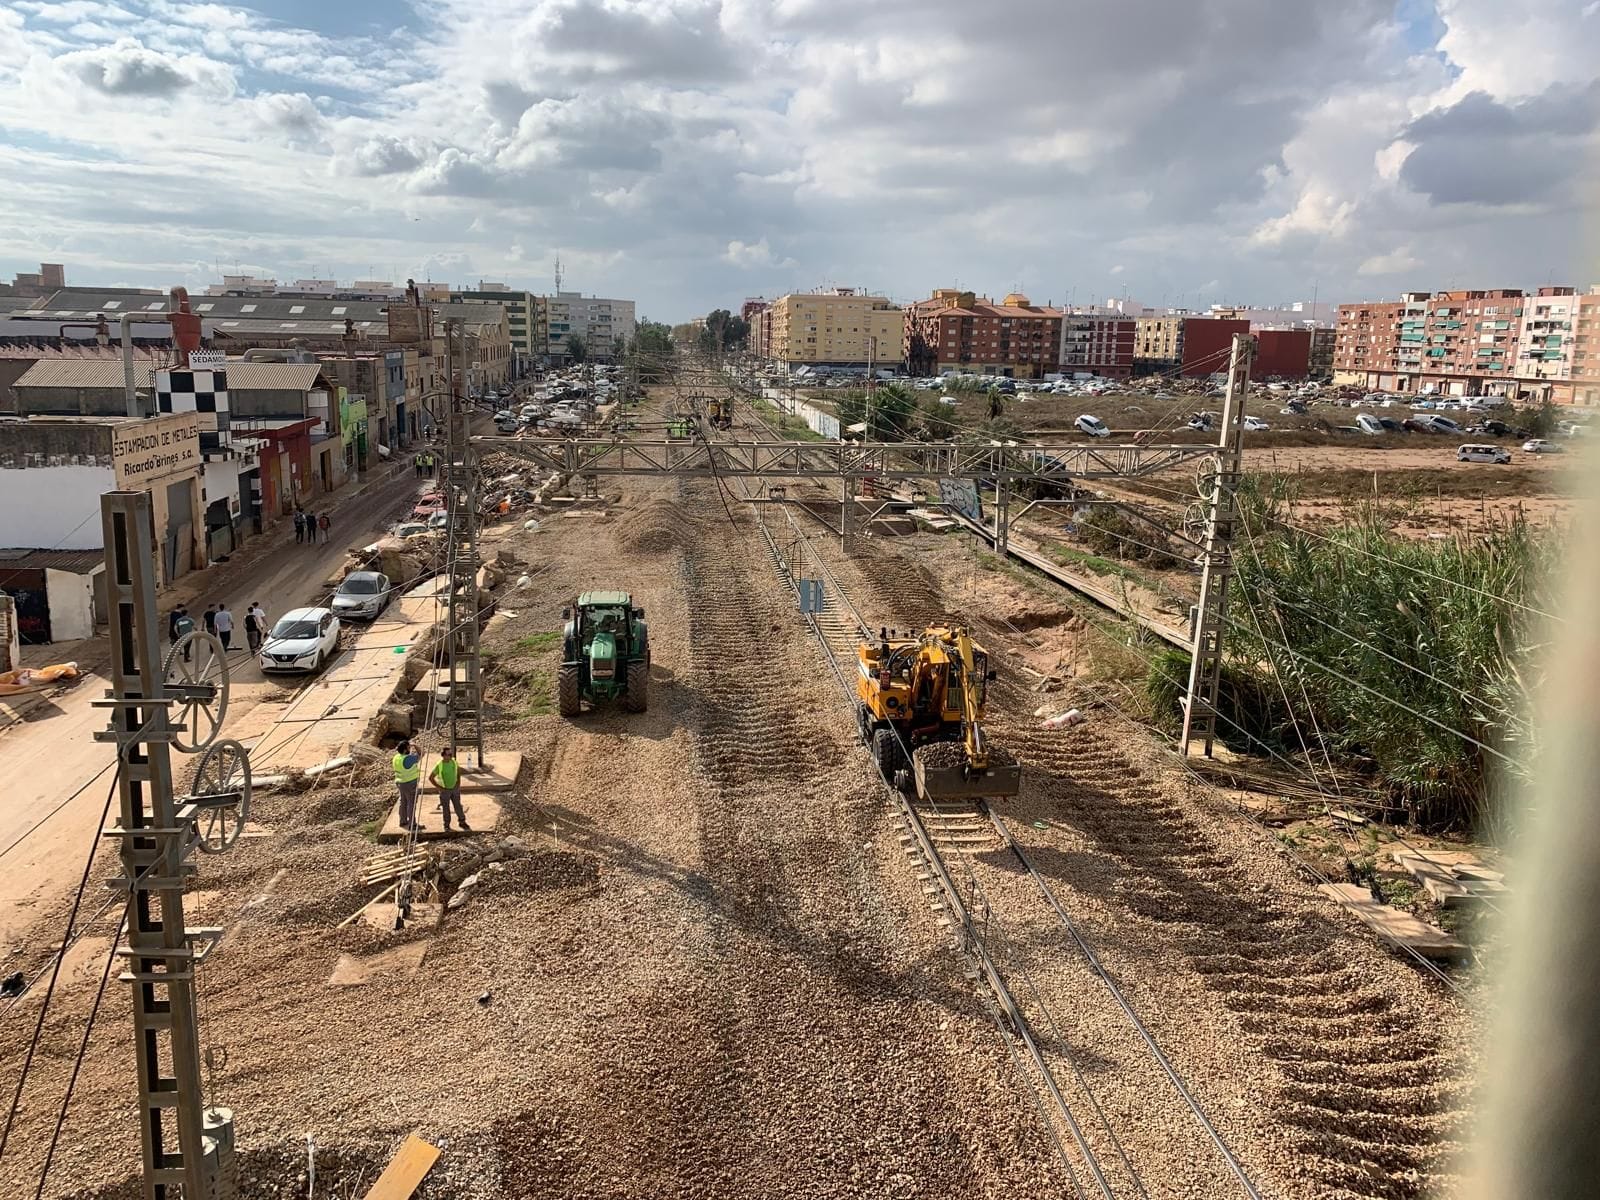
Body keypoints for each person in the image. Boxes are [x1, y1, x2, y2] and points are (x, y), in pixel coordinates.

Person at [430, 747, 470, 833]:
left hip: (455, 788)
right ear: (443, 756)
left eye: (451, 754)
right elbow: (431, 778)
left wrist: (458, 782)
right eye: (448, 755)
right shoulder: (439, 765)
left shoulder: (453, 762)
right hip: (445, 790)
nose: (450, 756)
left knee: (458, 806)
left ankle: (462, 822)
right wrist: (439, 788)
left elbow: (458, 771)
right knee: (446, 808)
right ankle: (447, 825)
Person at [392, 740, 422, 833]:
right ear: (405, 750)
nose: (410, 749)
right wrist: (415, 745)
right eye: (409, 748)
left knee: (403, 802)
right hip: (410, 784)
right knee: (411, 804)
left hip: (400, 782)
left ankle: (403, 821)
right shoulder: (408, 759)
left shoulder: (397, 757)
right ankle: (412, 824)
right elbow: (421, 754)